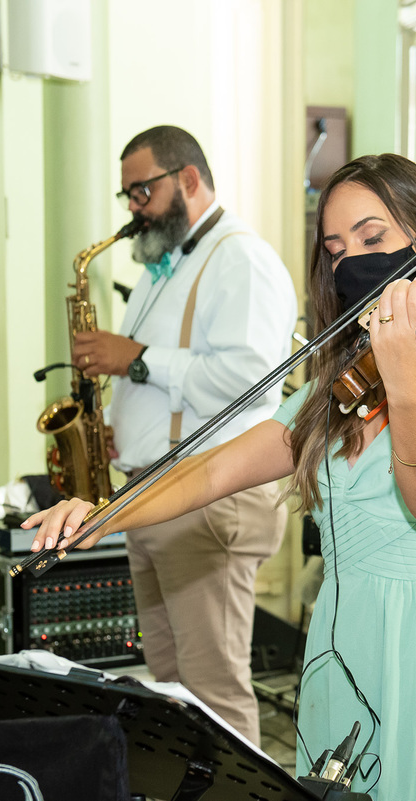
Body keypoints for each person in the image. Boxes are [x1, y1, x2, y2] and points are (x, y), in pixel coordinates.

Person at [27, 153, 416, 800]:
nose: (351, 259)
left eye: (373, 238)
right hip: (343, 637)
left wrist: (409, 385)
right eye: (334, 248)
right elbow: (213, 469)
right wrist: (101, 512)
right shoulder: (342, 386)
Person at [69, 125, 297, 745]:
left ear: (188, 180)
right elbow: (163, 371)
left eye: (141, 190)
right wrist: (117, 430)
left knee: (214, 689)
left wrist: (135, 357)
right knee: (171, 685)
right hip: (152, 496)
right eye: (127, 196)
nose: (133, 210)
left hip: (208, 501)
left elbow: (252, 381)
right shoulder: (160, 268)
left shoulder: (241, 259)